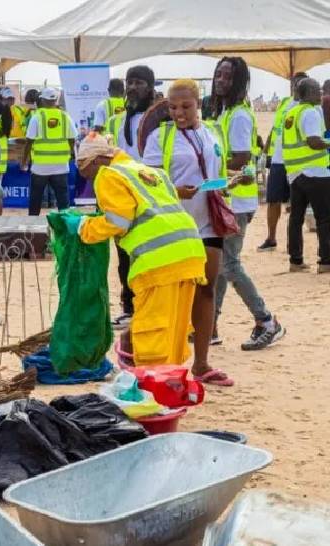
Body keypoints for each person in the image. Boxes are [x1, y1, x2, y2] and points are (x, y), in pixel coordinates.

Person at [72, 133, 206, 368]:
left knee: (151, 331)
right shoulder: (148, 171)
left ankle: (153, 388)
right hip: (190, 253)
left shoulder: (108, 174)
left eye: (82, 167)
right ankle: (171, 383)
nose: (83, 175)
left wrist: (85, 227)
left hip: (159, 260)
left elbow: (118, 221)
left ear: (96, 160)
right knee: (173, 329)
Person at [142, 79, 232, 385]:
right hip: (174, 224)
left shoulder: (213, 132)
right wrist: (175, 190)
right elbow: (149, 181)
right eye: (172, 106)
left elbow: (217, 169)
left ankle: (202, 364)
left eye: (185, 106)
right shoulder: (160, 137)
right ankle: (166, 364)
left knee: (207, 289)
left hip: (209, 221)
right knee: (174, 294)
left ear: (199, 103)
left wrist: (230, 181)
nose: (178, 112)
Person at [211, 56, 285, 352]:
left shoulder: (239, 116)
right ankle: (210, 326)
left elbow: (240, 161)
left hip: (237, 201)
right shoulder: (226, 113)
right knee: (217, 266)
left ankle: (266, 320)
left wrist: (207, 171)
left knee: (229, 265)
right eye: (218, 75)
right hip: (226, 198)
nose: (220, 81)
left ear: (239, 81)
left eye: (227, 77)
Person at [105, 66, 156, 330]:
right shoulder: (116, 120)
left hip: (150, 198)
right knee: (124, 256)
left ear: (150, 87)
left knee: (148, 256)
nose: (132, 87)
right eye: (129, 82)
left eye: (138, 82)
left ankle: (149, 308)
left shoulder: (158, 118)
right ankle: (129, 307)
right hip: (122, 198)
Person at [284, 77, 330, 273]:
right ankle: (326, 262)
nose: (320, 93)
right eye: (317, 90)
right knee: (325, 218)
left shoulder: (292, 112)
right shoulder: (310, 112)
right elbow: (313, 141)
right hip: (315, 173)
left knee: (296, 218)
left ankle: (296, 260)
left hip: (295, 174)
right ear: (309, 93)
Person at [258, 72, 308, 251]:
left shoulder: (308, 107)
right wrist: (265, 151)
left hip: (297, 161)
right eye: (294, 83)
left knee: (297, 204)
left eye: (300, 83)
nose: (296, 86)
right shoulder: (285, 103)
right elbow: (275, 127)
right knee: (273, 199)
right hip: (278, 160)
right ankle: (271, 238)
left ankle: (295, 243)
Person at [21, 87, 77, 215]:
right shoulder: (65, 116)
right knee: (63, 203)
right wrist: (73, 155)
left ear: (42, 100)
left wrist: (24, 161)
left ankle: (33, 228)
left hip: (40, 167)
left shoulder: (37, 117)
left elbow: (29, 142)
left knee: (35, 201)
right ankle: (65, 228)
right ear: (55, 100)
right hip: (61, 166)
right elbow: (72, 139)